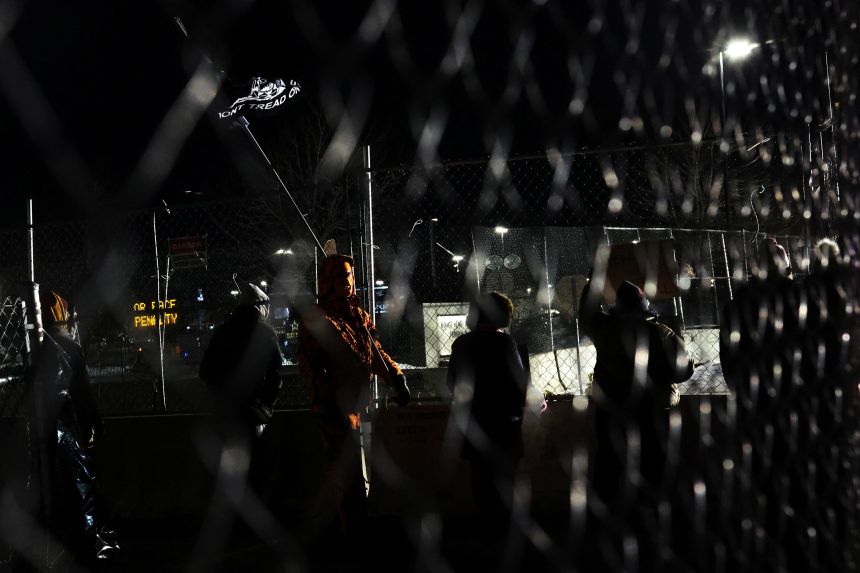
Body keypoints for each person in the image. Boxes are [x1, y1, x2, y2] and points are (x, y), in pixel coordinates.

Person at [579, 277, 693, 571]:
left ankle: (604, 527)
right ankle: (655, 527)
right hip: (652, 410)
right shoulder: (661, 333)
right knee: (654, 466)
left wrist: (594, 280)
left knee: (609, 466)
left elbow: (587, 314)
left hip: (612, 411)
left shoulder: (605, 330)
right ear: (645, 308)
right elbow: (684, 371)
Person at [298, 252, 410, 539]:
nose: (346, 281)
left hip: (357, 402)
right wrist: (327, 396)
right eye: (339, 276)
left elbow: (374, 352)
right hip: (335, 404)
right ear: (327, 281)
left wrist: (395, 376)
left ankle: (354, 523)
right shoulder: (319, 317)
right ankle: (350, 528)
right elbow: (310, 364)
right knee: (345, 467)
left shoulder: (357, 314)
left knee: (356, 466)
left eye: (349, 275)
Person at [28, 290, 119, 561]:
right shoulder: (69, 346)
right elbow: (82, 393)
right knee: (81, 484)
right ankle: (90, 541)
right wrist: (94, 422)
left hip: (43, 426)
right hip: (67, 425)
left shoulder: (38, 346)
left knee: (50, 485)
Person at [446, 292, 530, 529]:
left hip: (474, 418)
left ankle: (486, 522)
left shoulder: (461, 343)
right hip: (505, 419)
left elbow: (452, 383)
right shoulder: (506, 342)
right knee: (506, 475)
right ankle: (506, 524)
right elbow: (519, 383)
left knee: (480, 475)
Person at [200, 282, 284, 445]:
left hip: (225, 410)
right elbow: (276, 374)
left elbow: (205, 371)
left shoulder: (223, 331)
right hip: (254, 411)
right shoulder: (265, 332)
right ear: (261, 305)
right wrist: (265, 405)